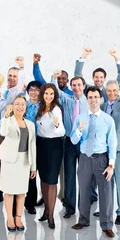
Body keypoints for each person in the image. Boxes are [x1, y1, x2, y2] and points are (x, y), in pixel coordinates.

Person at [70, 86, 118, 238]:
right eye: (90, 97)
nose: (93, 100)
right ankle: (83, 220)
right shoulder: (80, 118)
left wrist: (111, 165)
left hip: (101, 159)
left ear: (101, 98)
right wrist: (78, 129)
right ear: (87, 99)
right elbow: (73, 140)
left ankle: (107, 225)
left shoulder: (107, 119)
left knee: (105, 193)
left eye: (96, 97)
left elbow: (112, 143)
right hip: (84, 159)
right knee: (84, 191)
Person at [0, 96, 37, 232]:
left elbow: (32, 145)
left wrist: (33, 166)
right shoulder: (7, 121)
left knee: (21, 192)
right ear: (12, 106)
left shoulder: (30, 124)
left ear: (26, 107)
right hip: (9, 161)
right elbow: (3, 132)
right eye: (17, 104)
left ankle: (18, 217)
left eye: (23, 104)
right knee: (8, 192)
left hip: (24, 160)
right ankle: (10, 219)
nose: (20, 106)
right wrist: (7, 117)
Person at [51, 72, 89, 219]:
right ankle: (70, 207)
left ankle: (85, 205)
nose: (76, 87)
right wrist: (54, 78)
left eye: (79, 85)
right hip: (69, 142)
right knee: (69, 174)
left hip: (85, 142)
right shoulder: (67, 100)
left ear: (84, 86)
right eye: (73, 85)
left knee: (85, 176)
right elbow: (56, 90)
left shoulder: (90, 101)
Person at [98, 79, 120, 225]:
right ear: (106, 92)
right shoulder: (103, 105)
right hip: (104, 147)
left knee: (118, 178)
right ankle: (107, 208)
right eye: (109, 91)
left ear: (118, 91)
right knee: (106, 179)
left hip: (119, 148)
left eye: (114, 90)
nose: (112, 93)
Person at [35, 83, 65, 229]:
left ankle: (51, 215)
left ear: (55, 95)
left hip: (54, 146)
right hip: (41, 145)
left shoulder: (56, 110)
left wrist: (57, 124)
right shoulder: (40, 108)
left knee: (52, 181)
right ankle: (46, 210)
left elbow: (61, 131)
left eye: (51, 94)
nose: (49, 96)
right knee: (44, 179)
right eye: (46, 93)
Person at [24, 80, 42, 215]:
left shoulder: (44, 106)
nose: (34, 92)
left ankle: (39, 200)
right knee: (29, 173)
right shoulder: (24, 105)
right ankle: (29, 203)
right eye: (31, 89)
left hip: (41, 142)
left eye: (36, 90)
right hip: (26, 142)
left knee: (39, 172)